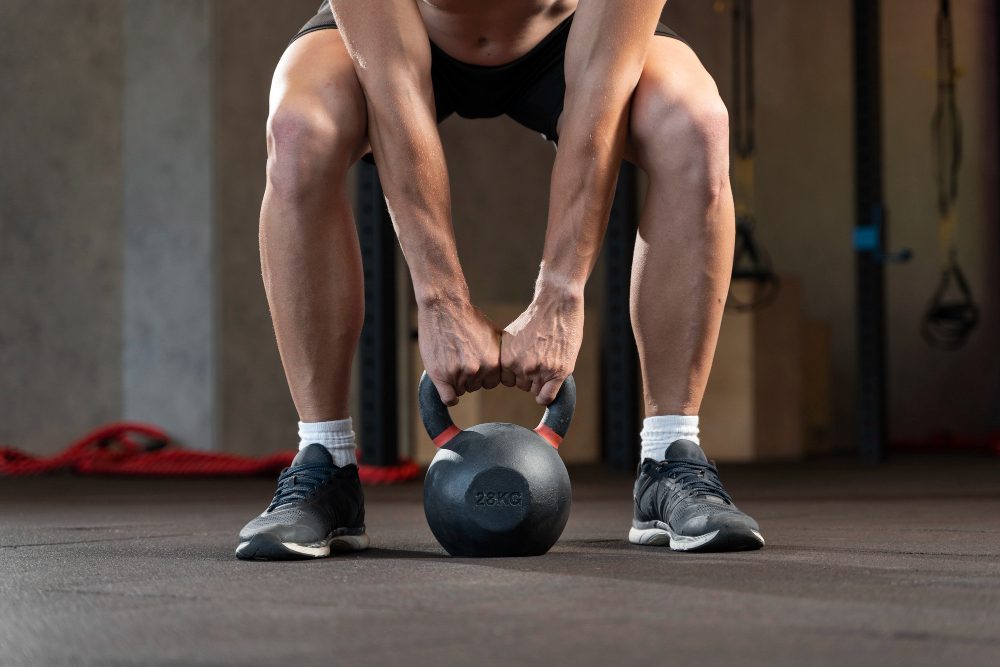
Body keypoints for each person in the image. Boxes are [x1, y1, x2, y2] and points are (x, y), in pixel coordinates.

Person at [236, 0, 764, 560]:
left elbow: (598, 91)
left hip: (568, 39)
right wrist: (441, 301)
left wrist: (560, 293)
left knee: (696, 126)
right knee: (298, 132)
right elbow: (393, 88)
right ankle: (326, 463)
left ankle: (670, 457)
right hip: (402, 37)